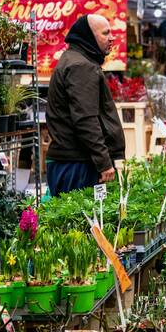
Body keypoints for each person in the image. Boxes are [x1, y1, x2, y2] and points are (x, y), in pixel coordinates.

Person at [46, 14, 125, 197]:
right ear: (89, 36)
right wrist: (104, 162)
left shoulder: (77, 60)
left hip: (74, 161)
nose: (112, 37)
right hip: (77, 164)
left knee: (78, 222)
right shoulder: (81, 66)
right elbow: (86, 119)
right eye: (106, 33)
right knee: (85, 221)